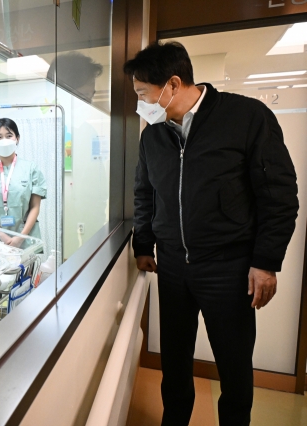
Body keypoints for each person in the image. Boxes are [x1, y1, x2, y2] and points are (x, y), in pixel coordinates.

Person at [125, 41, 298, 426]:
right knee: (174, 362)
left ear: (172, 84)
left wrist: (266, 262)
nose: (140, 103)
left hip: (229, 269)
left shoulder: (246, 117)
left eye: (142, 94)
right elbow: (144, 192)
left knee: (234, 366)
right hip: (172, 268)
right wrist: (144, 243)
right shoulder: (153, 135)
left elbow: (279, 195)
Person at [0, 118, 47, 248]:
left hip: (26, 237)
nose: (4, 140)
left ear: (17, 138)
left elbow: (35, 207)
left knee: (26, 268)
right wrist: (2, 236)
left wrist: (21, 237)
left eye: (9, 136)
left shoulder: (31, 169)